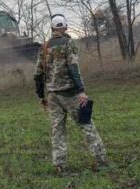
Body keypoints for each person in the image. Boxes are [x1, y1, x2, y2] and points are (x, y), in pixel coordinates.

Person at [34, 14, 108, 173]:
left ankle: (60, 165)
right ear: (65, 27)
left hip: (52, 96)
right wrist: (81, 91)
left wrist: (41, 96)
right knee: (86, 124)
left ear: (52, 28)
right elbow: (74, 68)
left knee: (57, 130)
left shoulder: (44, 47)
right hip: (71, 94)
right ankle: (100, 159)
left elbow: (38, 74)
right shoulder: (69, 43)